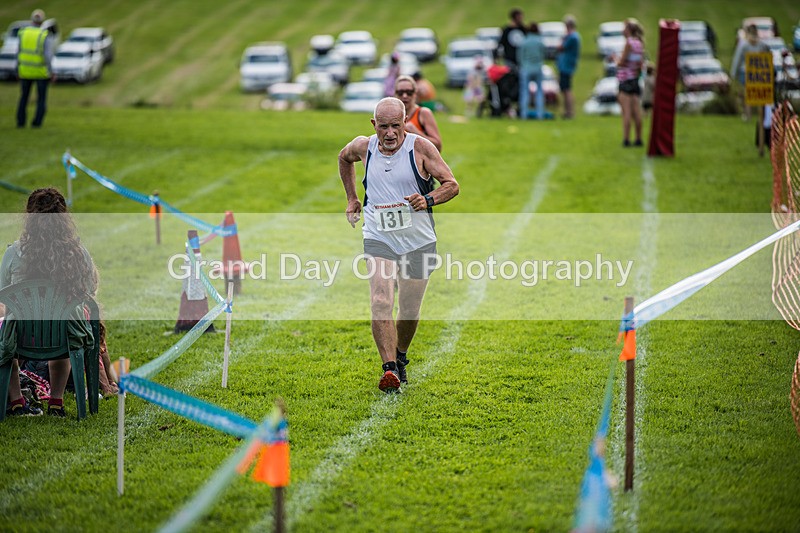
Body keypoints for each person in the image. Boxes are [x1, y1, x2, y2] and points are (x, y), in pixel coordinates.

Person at [338, 97, 459, 393]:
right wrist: (352, 198)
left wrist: (427, 199)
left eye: (395, 126)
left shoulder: (420, 148)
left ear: (405, 123)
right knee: (381, 300)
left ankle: (401, 355)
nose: (390, 133)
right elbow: (343, 158)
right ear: (373, 125)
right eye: (383, 127)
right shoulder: (364, 146)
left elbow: (451, 184)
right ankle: (389, 368)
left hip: (419, 240)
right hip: (379, 235)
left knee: (409, 307)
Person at [1, 188, 98, 417]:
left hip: (21, 336)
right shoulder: (77, 253)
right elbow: (89, 289)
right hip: (65, 335)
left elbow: (4, 292)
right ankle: (56, 401)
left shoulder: (14, 253)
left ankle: (17, 402)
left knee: (5, 329)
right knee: (66, 326)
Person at [15, 9, 55, 129]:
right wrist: (51, 71)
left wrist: (17, 68)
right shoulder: (43, 35)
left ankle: (20, 122)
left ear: (32, 20)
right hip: (40, 72)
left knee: (24, 97)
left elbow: (18, 52)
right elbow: (47, 55)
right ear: (42, 21)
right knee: (41, 99)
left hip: (25, 71)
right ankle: (37, 123)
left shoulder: (23, 33)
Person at [730, 24, 770, 121]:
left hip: (752, 72)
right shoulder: (759, 45)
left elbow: (737, 60)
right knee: (753, 94)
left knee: (750, 94)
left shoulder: (747, 45)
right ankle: (755, 115)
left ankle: (750, 115)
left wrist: (733, 74)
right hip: (753, 73)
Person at [616, 18, 645, 147]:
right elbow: (640, 64)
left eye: (624, 28)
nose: (623, 30)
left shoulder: (629, 43)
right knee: (636, 112)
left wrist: (614, 59)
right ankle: (638, 139)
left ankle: (626, 139)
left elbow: (622, 62)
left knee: (626, 112)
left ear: (629, 30)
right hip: (634, 80)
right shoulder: (639, 43)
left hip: (625, 80)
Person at [395, 75, 442, 152]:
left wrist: (416, 132)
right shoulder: (392, 115)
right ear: (395, 94)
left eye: (409, 92)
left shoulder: (423, 113)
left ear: (415, 93)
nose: (404, 96)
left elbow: (438, 147)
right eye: (400, 92)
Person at [517, 22, 545, 120]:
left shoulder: (524, 41)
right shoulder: (540, 41)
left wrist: (523, 64)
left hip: (526, 68)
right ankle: (540, 114)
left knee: (524, 92)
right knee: (539, 92)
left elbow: (520, 56)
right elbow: (543, 55)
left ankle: (524, 114)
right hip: (537, 68)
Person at [556, 14, 581, 119]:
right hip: (566, 65)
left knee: (567, 89)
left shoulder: (572, 37)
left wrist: (563, 39)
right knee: (565, 89)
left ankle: (569, 111)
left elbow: (561, 47)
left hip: (566, 66)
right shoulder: (573, 36)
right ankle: (567, 111)